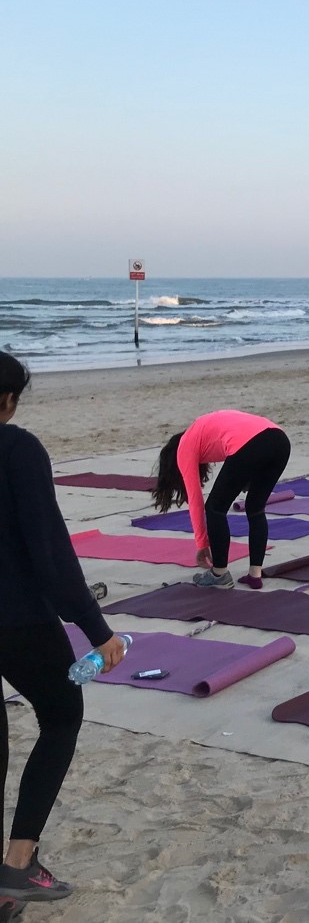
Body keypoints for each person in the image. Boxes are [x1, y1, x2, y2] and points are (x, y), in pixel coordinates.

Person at [0, 352, 126, 906]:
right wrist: (99, 632)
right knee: (61, 716)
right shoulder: (17, 449)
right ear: (7, 399)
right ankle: (17, 864)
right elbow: (49, 554)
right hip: (17, 618)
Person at [152, 411, 291, 590]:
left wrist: (202, 544)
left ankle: (219, 573)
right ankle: (255, 575)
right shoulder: (201, 431)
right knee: (255, 507)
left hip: (253, 443)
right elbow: (245, 444)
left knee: (215, 508)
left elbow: (195, 501)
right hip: (280, 441)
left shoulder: (184, 447)